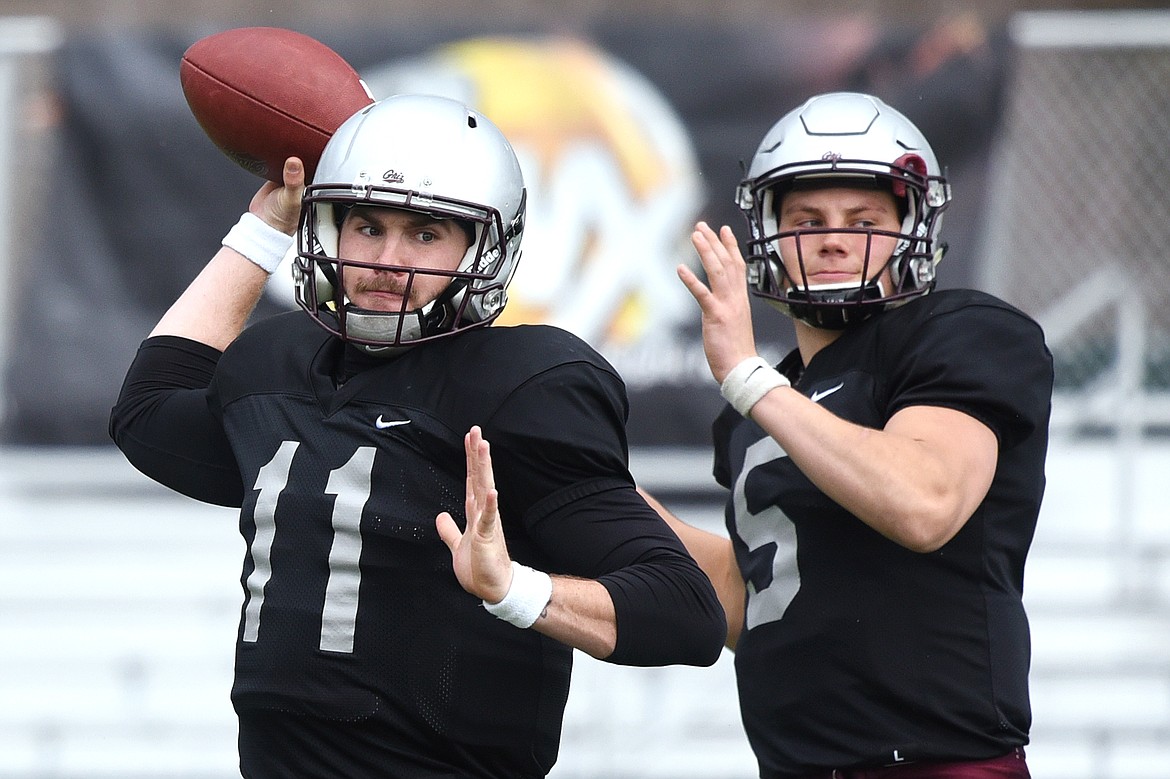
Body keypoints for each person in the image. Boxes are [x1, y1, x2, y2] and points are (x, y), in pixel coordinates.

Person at [109, 93, 725, 779]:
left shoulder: (519, 385)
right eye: (366, 226)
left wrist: (515, 588)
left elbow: (685, 610)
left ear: (483, 249)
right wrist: (261, 228)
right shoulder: (272, 365)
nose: (387, 260)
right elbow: (147, 413)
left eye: (425, 234)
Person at [641, 91, 1053, 779]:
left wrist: (747, 377)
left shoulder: (962, 332)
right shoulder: (759, 407)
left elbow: (924, 501)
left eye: (864, 220)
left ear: (910, 233)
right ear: (770, 238)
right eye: (808, 221)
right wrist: (594, 485)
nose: (833, 238)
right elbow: (754, 602)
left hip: (935, 763)